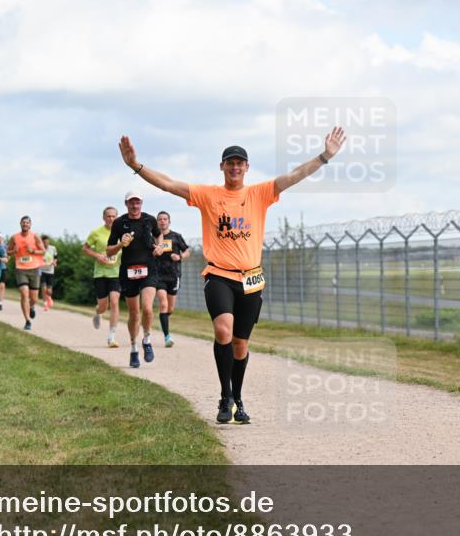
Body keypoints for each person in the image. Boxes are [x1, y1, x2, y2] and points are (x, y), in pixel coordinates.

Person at [117, 126, 346, 423]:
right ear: (222, 167)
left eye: (240, 163)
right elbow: (169, 184)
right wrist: (136, 165)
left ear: (247, 168)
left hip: (250, 278)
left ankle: (237, 397)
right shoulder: (209, 195)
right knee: (223, 331)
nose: (235, 167)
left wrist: (325, 156)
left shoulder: (260, 193)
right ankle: (224, 396)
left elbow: (295, 176)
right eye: (230, 162)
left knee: (240, 345)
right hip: (220, 275)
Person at [106, 192, 164, 368]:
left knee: (147, 308)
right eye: (131, 202)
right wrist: (120, 245)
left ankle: (146, 340)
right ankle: (133, 348)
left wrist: (160, 246)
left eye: (137, 202)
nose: (135, 205)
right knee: (134, 313)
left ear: (141, 203)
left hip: (149, 269)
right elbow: (109, 251)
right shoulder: (119, 223)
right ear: (126, 204)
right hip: (128, 271)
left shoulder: (149, 220)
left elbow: (159, 235)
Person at [83, 206, 122, 347]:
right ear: (103, 217)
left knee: (114, 301)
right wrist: (97, 255)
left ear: (117, 217)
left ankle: (111, 336)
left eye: (113, 216)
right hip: (100, 273)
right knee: (103, 306)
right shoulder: (96, 233)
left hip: (116, 273)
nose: (111, 219)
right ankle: (98, 312)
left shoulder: (122, 233)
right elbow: (85, 248)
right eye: (108, 216)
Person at [154, 211, 190, 348]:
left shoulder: (176, 236)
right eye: (160, 219)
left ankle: (164, 321)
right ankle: (167, 336)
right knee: (163, 304)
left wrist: (180, 257)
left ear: (169, 221)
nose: (162, 221)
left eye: (165, 219)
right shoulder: (154, 237)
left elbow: (186, 251)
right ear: (157, 222)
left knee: (170, 308)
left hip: (174, 275)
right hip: (158, 275)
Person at [6, 216, 46, 330]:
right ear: (20, 224)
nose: (25, 224)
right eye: (23, 222)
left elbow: (43, 251)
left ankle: (32, 306)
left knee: (34, 299)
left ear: (30, 225)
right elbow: (8, 251)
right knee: (24, 294)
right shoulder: (14, 237)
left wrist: (33, 251)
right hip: (21, 269)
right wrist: (14, 251)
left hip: (34, 269)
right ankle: (27, 320)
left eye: (27, 223)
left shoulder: (35, 236)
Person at [40, 234, 57, 311]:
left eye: (46, 242)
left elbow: (56, 257)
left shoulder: (53, 248)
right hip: (42, 271)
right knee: (43, 288)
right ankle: (45, 304)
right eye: (44, 242)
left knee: (49, 290)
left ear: (48, 242)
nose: (45, 244)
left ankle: (49, 298)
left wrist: (54, 262)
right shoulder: (40, 249)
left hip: (50, 271)